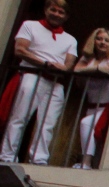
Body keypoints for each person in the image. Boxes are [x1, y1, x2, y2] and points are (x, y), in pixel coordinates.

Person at [0, 0, 78, 165]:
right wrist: (45, 64)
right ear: (46, 9)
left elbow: (69, 64)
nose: (56, 14)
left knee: (48, 123)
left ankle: (39, 159)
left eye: (61, 12)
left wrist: (61, 68)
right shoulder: (30, 25)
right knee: (20, 117)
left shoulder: (70, 39)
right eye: (53, 10)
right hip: (32, 74)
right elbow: (20, 49)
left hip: (56, 82)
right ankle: (7, 156)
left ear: (66, 16)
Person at [72, 27, 109, 169]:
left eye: (107, 40)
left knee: (86, 124)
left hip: (106, 107)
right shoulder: (87, 59)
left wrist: (90, 70)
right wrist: (97, 69)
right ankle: (91, 164)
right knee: (92, 138)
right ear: (93, 41)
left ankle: (86, 163)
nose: (102, 42)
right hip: (91, 106)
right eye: (99, 39)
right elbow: (76, 70)